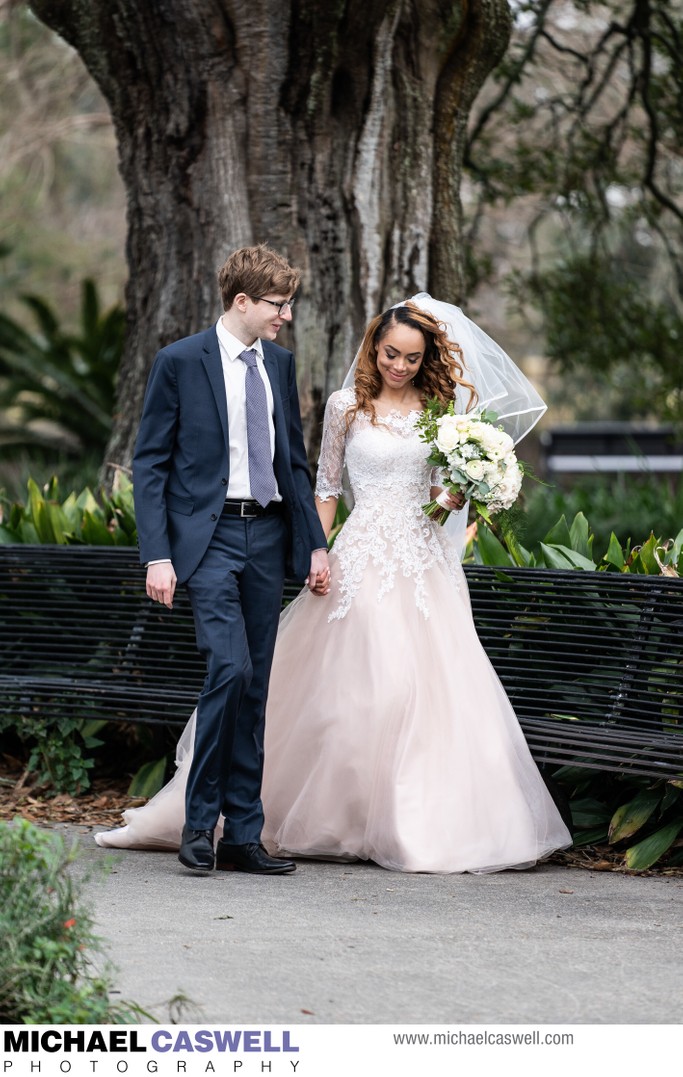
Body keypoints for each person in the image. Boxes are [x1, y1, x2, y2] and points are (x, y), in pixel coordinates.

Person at [97, 294, 572, 873]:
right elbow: (321, 487)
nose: (400, 366)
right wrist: (316, 551)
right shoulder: (347, 406)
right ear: (375, 347)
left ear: (427, 361)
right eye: (392, 353)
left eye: (413, 359)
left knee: (429, 690)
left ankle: (415, 823)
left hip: (423, 563)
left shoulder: (440, 410)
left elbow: (434, 497)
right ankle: (279, 818)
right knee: (359, 686)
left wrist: (455, 495)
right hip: (360, 552)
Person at [130, 244, 330, 876]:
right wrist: (156, 555)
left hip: (267, 537)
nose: (286, 315)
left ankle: (244, 836)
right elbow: (150, 464)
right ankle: (199, 822)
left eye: (288, 304)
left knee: (257, 684)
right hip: (208, 540)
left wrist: (314, 544)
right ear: (242, 302)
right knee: (230, 669)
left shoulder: (279, 362)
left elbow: (293, 463)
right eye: (278, 304)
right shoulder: (179, 362)